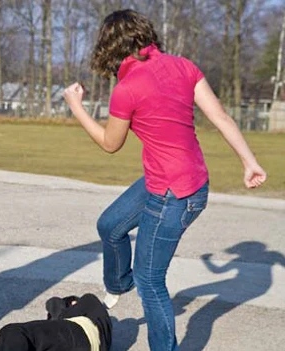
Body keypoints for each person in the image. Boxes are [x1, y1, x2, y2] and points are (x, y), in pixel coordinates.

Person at [62, 9, 267, 351]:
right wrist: (250, 163)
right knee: (110, 225)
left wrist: (77, 107)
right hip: (184, 181)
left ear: (109, 48)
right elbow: (220, 116)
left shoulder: (126, 89)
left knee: (151, 280)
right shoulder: (184, 65)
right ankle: (117, 284)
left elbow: (111, 144)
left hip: (174, 194)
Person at [0, 294, 112, 351]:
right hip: (82, 341)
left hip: (80, 334)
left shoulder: (88, 300)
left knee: (12, 332)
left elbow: (54, 304)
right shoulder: (99, 318)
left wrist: (64, 310)